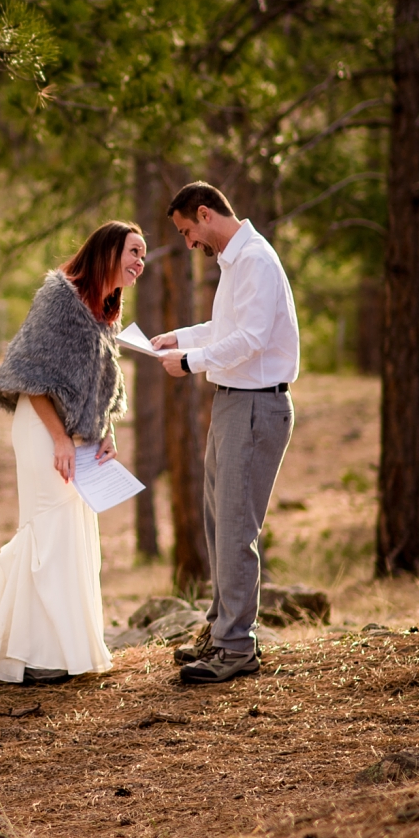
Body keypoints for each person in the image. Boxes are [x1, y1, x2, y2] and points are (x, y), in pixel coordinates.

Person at [0, 221, 147, 685]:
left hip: (76, 435)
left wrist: (104, 431)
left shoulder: (104, 309)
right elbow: (33, 378)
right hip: (41, 429)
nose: (140, 263)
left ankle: (65, 650)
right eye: (134, 252)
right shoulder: (59, 298)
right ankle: (33, 656)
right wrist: (59, 439)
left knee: (75, 533)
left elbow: (100, 383)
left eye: (144, 256)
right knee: (47, 528)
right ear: (108, 251)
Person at [152, 182, 300, 685]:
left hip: (257, 405)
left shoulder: (255, 259)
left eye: (188, 231)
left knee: (237, 527)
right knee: (219, 521)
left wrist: (191, 361)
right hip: (234, 402)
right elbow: (229, 327)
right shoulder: (236, 262)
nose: (190, 242)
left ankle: (237, 647)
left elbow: (254, 338)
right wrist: (182, 337)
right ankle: (221, 632)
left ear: (205, 213)